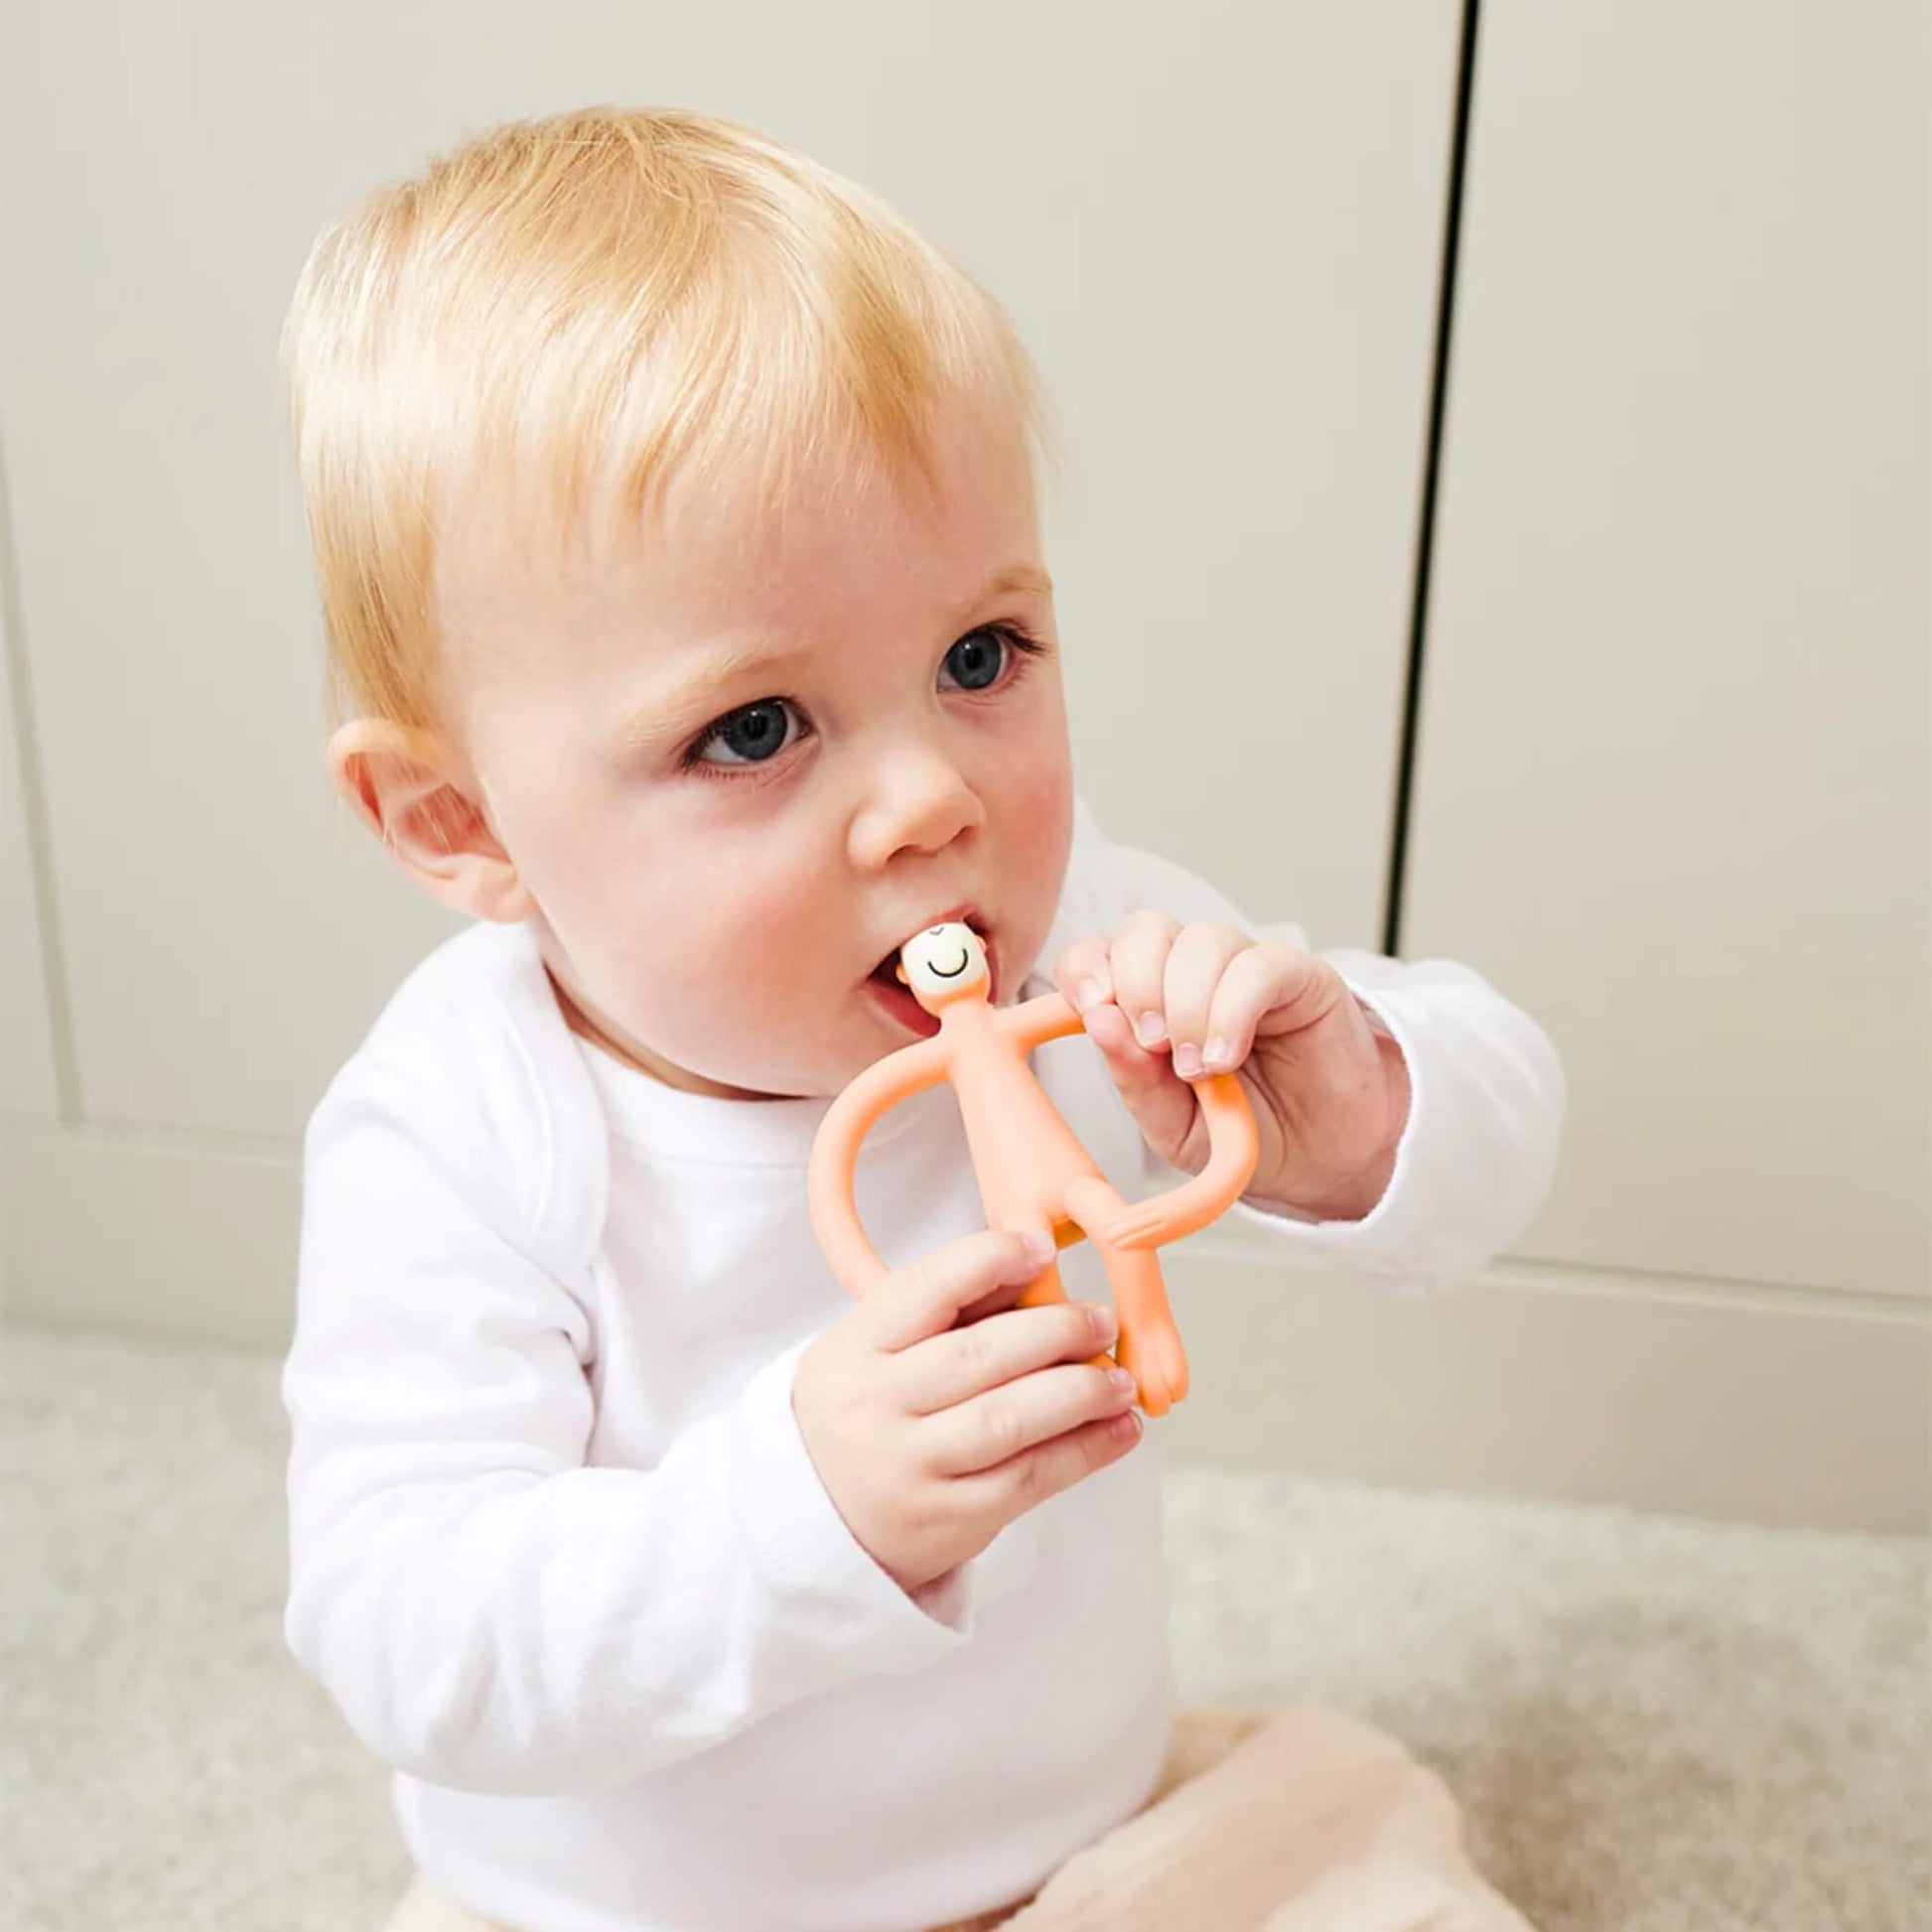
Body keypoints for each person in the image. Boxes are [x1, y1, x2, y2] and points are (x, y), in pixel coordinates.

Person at [280, 104, 1564, 1932]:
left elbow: (1501, 1126)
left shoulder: (1085, 940)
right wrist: (801, 1506)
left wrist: (1345, 1099)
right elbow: (409, 1631)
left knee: (1356, 1857)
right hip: (625, 1910)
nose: (929, 805)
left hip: (1080, 1844)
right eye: (753, 729)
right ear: (463, 824)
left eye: (980, 660)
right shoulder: (461, 1122)